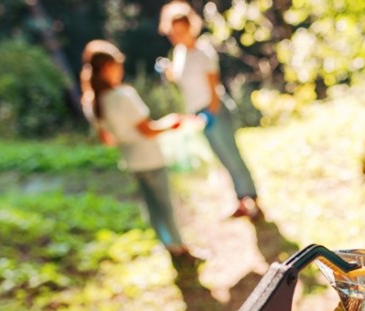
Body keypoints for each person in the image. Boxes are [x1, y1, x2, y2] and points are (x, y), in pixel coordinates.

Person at [80, 40, 194, 261]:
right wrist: (171, 122)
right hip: (150, 158)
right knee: (166, 206)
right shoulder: (124, 96)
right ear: (107, 68)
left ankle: (168, 245)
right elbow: (148, 130)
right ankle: (180, 248)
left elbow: (107, 139)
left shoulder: (93, 102)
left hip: (131, 161)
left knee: (153, 207)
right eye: (117, 66)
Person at [157, 1, 263, 221]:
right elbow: (181, 79)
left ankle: (253, 201)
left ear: (190, 27)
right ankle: (240, 200)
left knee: (233, 156)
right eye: (173, 33)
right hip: (199, 115)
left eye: (180, 31)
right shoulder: (179, 53)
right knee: (222, 159)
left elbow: (213, 87)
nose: (177, 36)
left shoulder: (203, 51)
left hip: (214, 111)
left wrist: (210, 113)